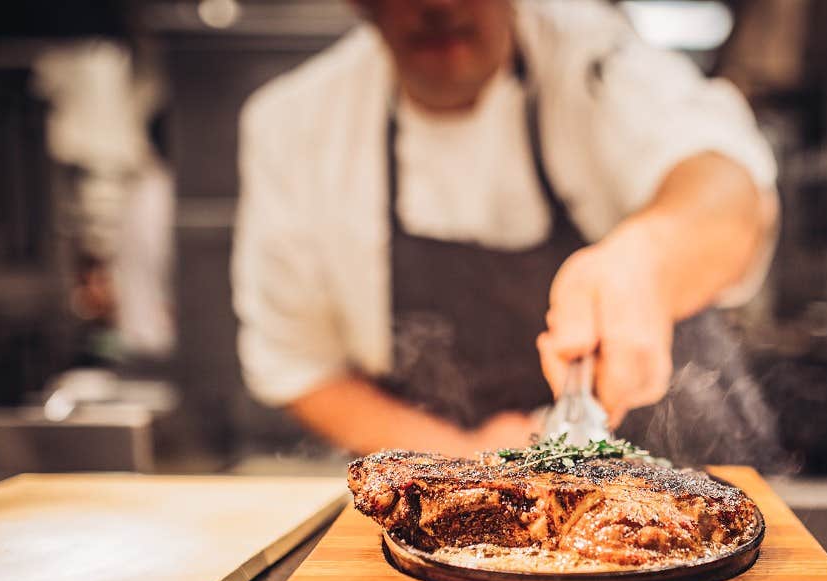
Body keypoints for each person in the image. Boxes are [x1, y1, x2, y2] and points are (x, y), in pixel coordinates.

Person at [233, 0, 782, 464]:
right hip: (450, 481)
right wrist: (464, 459)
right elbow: (300, 367)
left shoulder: (597, 58)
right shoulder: (295, 126)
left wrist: (646, 261)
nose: (439, 7)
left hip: (677, 457)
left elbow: (728, 188)